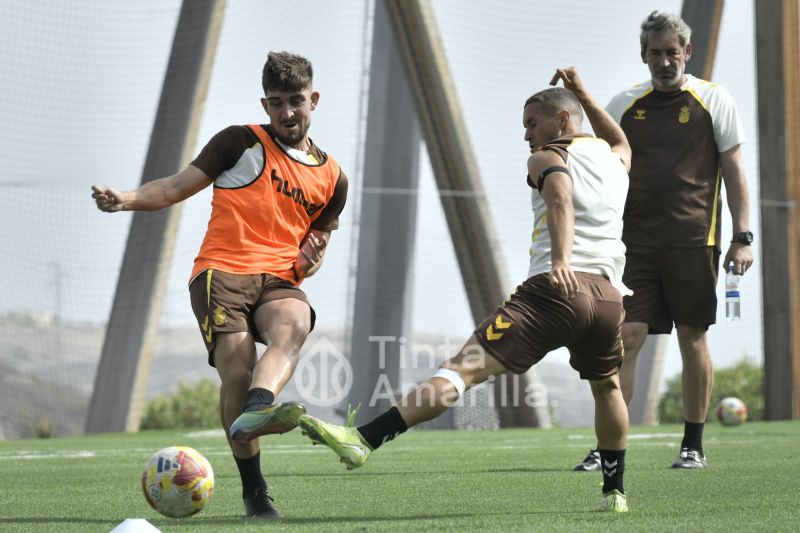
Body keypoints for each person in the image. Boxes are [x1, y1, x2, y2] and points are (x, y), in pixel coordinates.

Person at [297, 68, 633, 513]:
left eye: (532, 123)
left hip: (554, 291)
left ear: (563, 120)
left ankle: (364, 440)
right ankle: (615, 494)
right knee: (607, 389)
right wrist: (583, 93)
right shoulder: (615, 161)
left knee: (460, 371)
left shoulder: (547, 157)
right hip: (608, 298)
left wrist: (560, 261)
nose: (526, 135)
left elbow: (559, 198)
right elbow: (620, 139)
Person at [92, 51, 348, 518]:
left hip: (278, 279)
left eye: (296, 101)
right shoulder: (238, 142)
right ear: (265, 105)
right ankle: (255, 491)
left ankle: (258, 408)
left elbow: (317, 244)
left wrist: (313, 258)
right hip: (222, 272)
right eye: (276, 103)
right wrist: (124, 198)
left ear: (313, 100)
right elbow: (173, 188)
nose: (288, 112)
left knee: (294, 324)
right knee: (237, 371)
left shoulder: (334, 178)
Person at [573, 11, 753, 472]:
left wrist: (742, 237)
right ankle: (608, 445)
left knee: (692, 336)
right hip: (632, 246)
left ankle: (693, 446)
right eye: (656, 53)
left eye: (673, 52)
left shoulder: (714, 98)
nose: (665, 60)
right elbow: (600, 167)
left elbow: (734, 170)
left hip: (694, 241)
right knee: (626, 337)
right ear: (644, 55)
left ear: (686, 52)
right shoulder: (623, 104)